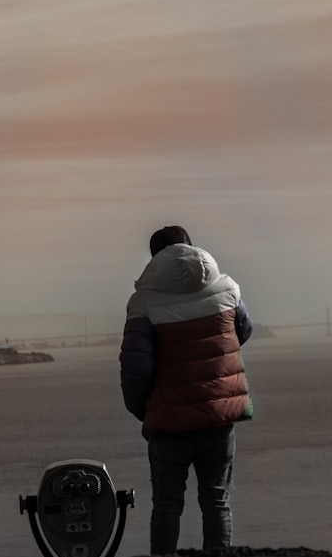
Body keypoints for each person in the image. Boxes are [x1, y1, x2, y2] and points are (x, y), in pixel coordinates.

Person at [119, 225, 254, 555]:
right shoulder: (226, 287)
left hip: (169, 421)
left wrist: (144, 410)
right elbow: (242, 332)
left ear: (154, 257)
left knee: (166, 504)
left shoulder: (143, 301)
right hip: (218, 418)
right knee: (216, 500)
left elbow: (136, 367)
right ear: (193, 248)